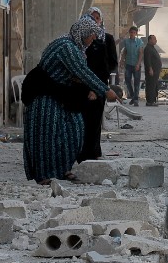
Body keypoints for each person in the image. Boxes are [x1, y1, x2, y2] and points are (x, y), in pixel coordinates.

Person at [23, 17, 120, 184]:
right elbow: (83, 72)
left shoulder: (75, 47)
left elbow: (77, 75)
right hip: (45, 95)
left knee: (74, 130)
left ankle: (63, 170)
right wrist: (105, 90)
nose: (93, 39)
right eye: (91, 35)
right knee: (48, 136)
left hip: (61, 95)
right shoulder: (66, 47)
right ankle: (45, 175)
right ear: (83, 33)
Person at [77, 7, 118, 162]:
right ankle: (81, 153)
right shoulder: (80, 40)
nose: (95, 21)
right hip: (82, 86)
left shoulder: (106, 39)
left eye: (97, 18)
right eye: (91, 18)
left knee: (95, 120)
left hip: (99, 84)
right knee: (82, 120)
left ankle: (94, 152)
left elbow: (110, 64)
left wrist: (98, 87)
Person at [120, 26, 144, 106]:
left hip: (136, 64)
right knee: (127, 80)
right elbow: (125, 52)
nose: (132, 34)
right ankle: (133, 96)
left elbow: (141, 53)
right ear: (129, 33)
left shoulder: (139, 42)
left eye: (134, 33)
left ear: (136, 33)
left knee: (136, 82)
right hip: (128, 64)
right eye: (131, 32)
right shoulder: (126, 41)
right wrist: (121, 61)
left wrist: (138, 64)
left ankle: (135, 99)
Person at [143, 34, 162, 107]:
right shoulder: (148, 48)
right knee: (151, 85)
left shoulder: (152, 48)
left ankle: (153, 100)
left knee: (154, 85)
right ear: (150, 40)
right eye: (154, 39)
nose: (155, 40)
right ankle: (150, 101)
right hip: (151, 71)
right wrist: (150, 69)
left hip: (155, 71)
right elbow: (148, 60)